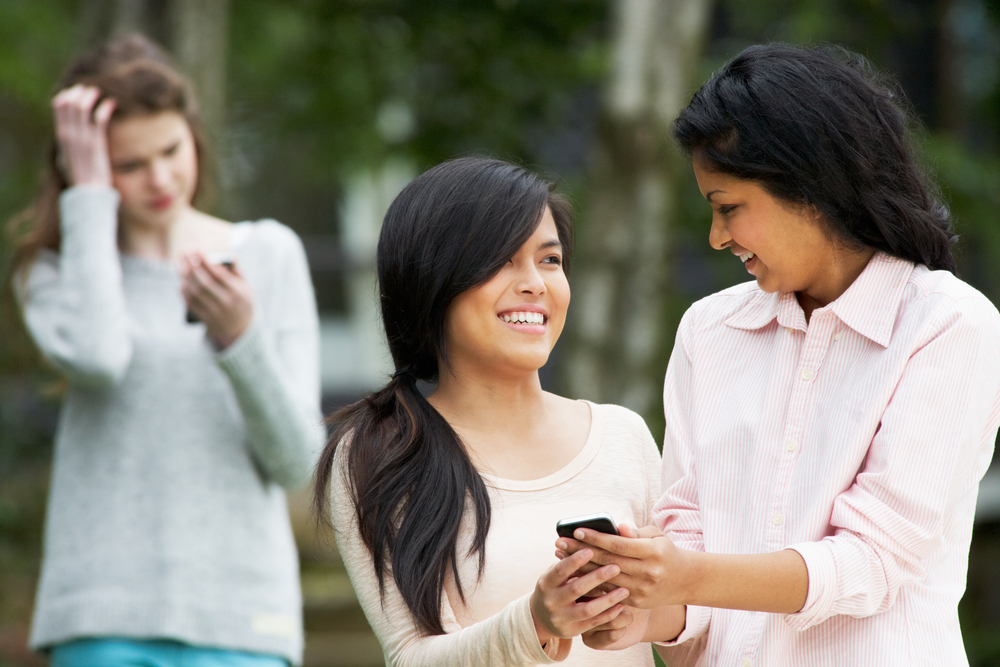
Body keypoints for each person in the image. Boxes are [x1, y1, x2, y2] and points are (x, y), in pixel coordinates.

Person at [557, 44, 1000, 665]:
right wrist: (634, 609)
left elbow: (874, 562)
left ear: (812, 184)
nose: (716, 238)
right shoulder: (709, 331)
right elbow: (689, 541)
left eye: (728, 207)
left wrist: (683, 574)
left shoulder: (949, 325)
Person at [9, 34, 325, 666]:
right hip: (101, 618)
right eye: (128, 165)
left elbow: (298, 463)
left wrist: (241, 339)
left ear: (195, 137)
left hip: (243, 620)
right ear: (85, 167)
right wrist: (90, 202)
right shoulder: (51, 270)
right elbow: (99, 358)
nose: (160, 179)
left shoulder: (268, 253)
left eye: (171, 150)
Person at [313, 156, 664, 666]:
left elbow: (688, 639)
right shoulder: (381, 450)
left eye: (549, 260)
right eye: (502, 260)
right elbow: (410, 657)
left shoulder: (623, 436)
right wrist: (537, 623)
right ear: (433, 281)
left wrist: (660, 588)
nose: (535, 284)